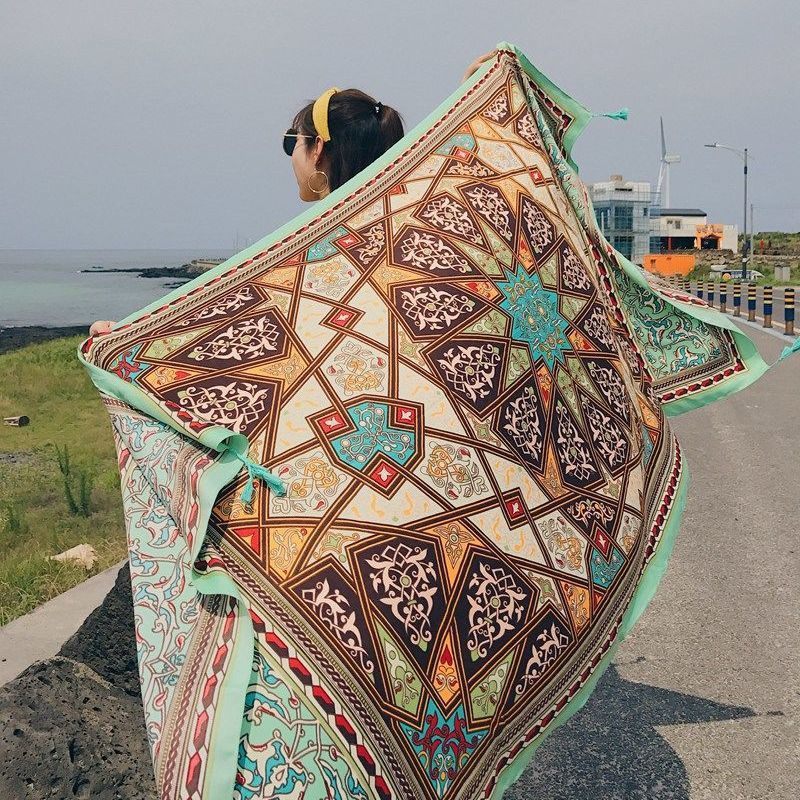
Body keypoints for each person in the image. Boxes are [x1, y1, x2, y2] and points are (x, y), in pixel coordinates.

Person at [88, 85, 406, 339]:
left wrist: (130, 341)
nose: (291, 155)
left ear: (318, 149)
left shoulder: (311, 252)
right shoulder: (401, 239)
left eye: (291, 143)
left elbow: (238, 329)